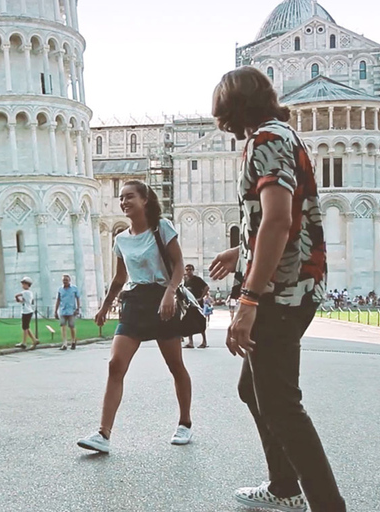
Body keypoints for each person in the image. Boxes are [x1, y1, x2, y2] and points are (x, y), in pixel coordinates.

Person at [209, 66, 346, 512]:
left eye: (221, 110)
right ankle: (284, 485)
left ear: (233, 106)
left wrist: (248, 297)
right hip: (296, 284)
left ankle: (326, 505)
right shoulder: (284, 134)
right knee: (255, 390)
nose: (220, 121)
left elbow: (279, 219)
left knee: (282, 404)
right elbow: (286, 215)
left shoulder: (264, 141)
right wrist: (240, 253)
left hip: (280, 292)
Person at [77, 180, 193, 453]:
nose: (124, 202)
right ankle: (103, 434)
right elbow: (120, 278)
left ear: (145, 200)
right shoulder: (121, 240)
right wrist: (105, 306)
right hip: (135, 300)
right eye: (121, 198)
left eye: (129, 197)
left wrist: (169, 293)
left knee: (175, 364)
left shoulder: (162, 228)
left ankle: (185, 423)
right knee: (115, 364)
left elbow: (178, 265)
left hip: (162, 299)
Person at [183, 264, 209, 349]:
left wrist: (201, 297)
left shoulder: (197, 279)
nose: (188, 271)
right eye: (187, 270)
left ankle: (204, 341)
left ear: (193, 270)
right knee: (188, 322)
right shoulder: (186, 280)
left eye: (190, 269)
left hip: (197, 304)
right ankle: (190, 342)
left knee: (200, 321)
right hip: (189, 304)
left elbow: (206, 287)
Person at [54, 274, 80, 350]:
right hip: (63, 310)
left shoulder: (74, 289)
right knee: (63, 326)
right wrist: (55, 311)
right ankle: (64, 343)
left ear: (69, 280)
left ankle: (73, 341)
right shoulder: (60, 289)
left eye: (66, 280)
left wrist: (78, 308)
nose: (65, 281)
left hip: (71, 310)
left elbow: (78, 298)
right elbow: (58, 300)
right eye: (64, 280)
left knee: (72, 326)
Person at [14, 276, 39, 349]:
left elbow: (17, 295)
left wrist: (17, 297)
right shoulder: (28, 293)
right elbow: (21, 300)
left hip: (26, 311)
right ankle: (34, 340)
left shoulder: (26, 292)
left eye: (24, 284)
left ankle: (24, 342)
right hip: (26, 310)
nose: (23, 286)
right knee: (26, 327)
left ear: (28, 285)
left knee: (25, 327)